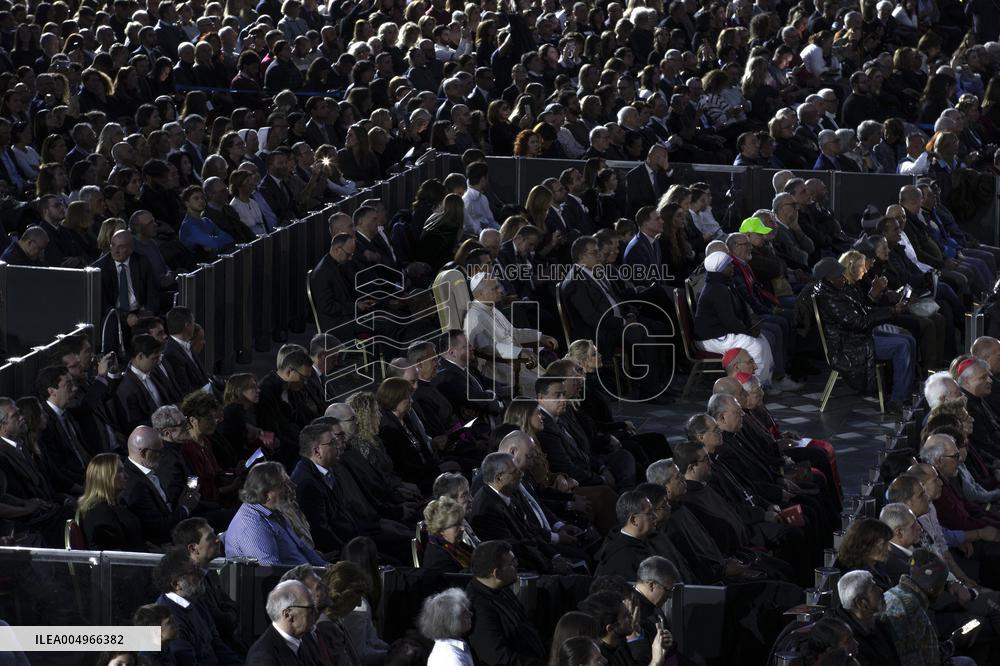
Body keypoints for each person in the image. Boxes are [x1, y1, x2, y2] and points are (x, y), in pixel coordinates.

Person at [694, 251, 776, 387]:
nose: (732, 267)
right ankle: (752, 388)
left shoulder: (724, 284)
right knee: (755, 346)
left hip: (722, 332)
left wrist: (749, 327)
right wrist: (747, 331)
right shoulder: (716, 289)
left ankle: (764, 383)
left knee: (763, 340)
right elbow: (728, 320)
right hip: (711, 338)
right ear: (720, 269)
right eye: (729, 265)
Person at [223, 461, 326, 566]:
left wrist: (328, 568)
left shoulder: (274, 513)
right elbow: (272, 574)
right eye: (283, 485)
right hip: (296, 580)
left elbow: (303, 550)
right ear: (265, 494)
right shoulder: (252, 525)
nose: (292, 487)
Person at [151, 546, 242, 666]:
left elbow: (217, 644)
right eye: (193, 571)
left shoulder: (197, 601)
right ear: (176, 584)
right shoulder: (169, 620)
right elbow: (187, 661)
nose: (201, 574)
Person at [464, 540, 547, 664]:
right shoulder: (478, 609)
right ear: (497, 573)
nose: (517, 564)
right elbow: (499, 658)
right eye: (512, 563)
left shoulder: (501, 588)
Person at [121, 425, 200, 545]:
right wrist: (186, 507)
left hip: (183, 515)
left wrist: (188, 494)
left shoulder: (151, 465)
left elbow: (190, 478)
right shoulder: (134, 485)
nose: (162, 455)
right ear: (143, 453)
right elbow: (159, 527)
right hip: (168, 538)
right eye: (158, 452)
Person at [76, 452, 145, 551]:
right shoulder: (99, 513)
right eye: (120, 471)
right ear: (105, 477)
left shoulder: (115, 504)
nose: (126, 476)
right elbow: (113, 556)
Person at [245, 580, 319, 665]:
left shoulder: (305, 640)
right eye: (310, 608)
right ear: (288, 615)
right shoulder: (262, 658)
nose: (315, 612)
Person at [418, 588, 475, 666]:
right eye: (464, 613)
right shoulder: (452, 659)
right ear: (451, 621)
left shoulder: (452, 649)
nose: (470, 614)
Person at [422, 496, 473, 574]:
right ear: (441, 530)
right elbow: (460, 580)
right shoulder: (438, 559)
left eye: (461, 522)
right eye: (456, 525)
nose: (462, 528)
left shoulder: (451, 543)